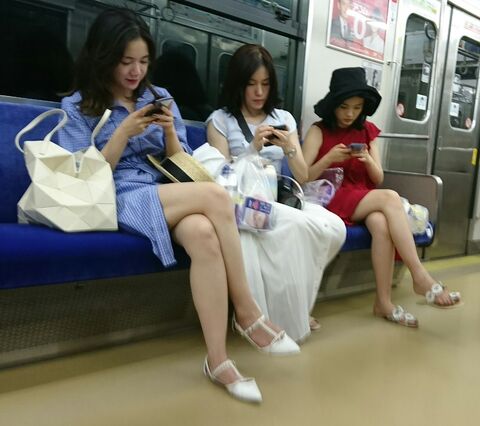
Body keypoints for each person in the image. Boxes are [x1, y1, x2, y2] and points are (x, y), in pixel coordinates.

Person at [57, 8, 300, 404]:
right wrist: (122, 133)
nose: (136, 71)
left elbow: (180, 162)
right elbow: (84, 177)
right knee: (215, 196)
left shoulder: (159, 98)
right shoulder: (78, 106)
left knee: (203, 234)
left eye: (143, 61)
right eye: (126, 61)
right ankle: (247, 312)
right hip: (116, 195)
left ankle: (217, 360)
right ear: (104, 58)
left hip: (164, 187)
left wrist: (170, 131)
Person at [206, 44, 346, 342]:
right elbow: (220, 177)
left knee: (333, 226)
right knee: (297, 227)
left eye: (266, 84)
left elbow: (302, 175)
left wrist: (289, 148)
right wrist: (251, 148)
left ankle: (297, 303)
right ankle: (276, 314)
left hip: (277, 195)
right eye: (251, 84)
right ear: (238, 84)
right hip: (242, 202)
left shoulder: (283, 118)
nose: (259, 92)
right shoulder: (220, 120)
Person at [302, 67, 462, 327]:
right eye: (344, 107)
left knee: (380, 223)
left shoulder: (368, 131)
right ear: (333, 105)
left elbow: (377, 178)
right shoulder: (318, 131)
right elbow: (303, 176)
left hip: (362, 196)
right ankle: (420, 276)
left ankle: (383, 303)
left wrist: (366, 159)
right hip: (331, 196)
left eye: (356, 107)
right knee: (390, 198)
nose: (350, 114)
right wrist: (329, 158)